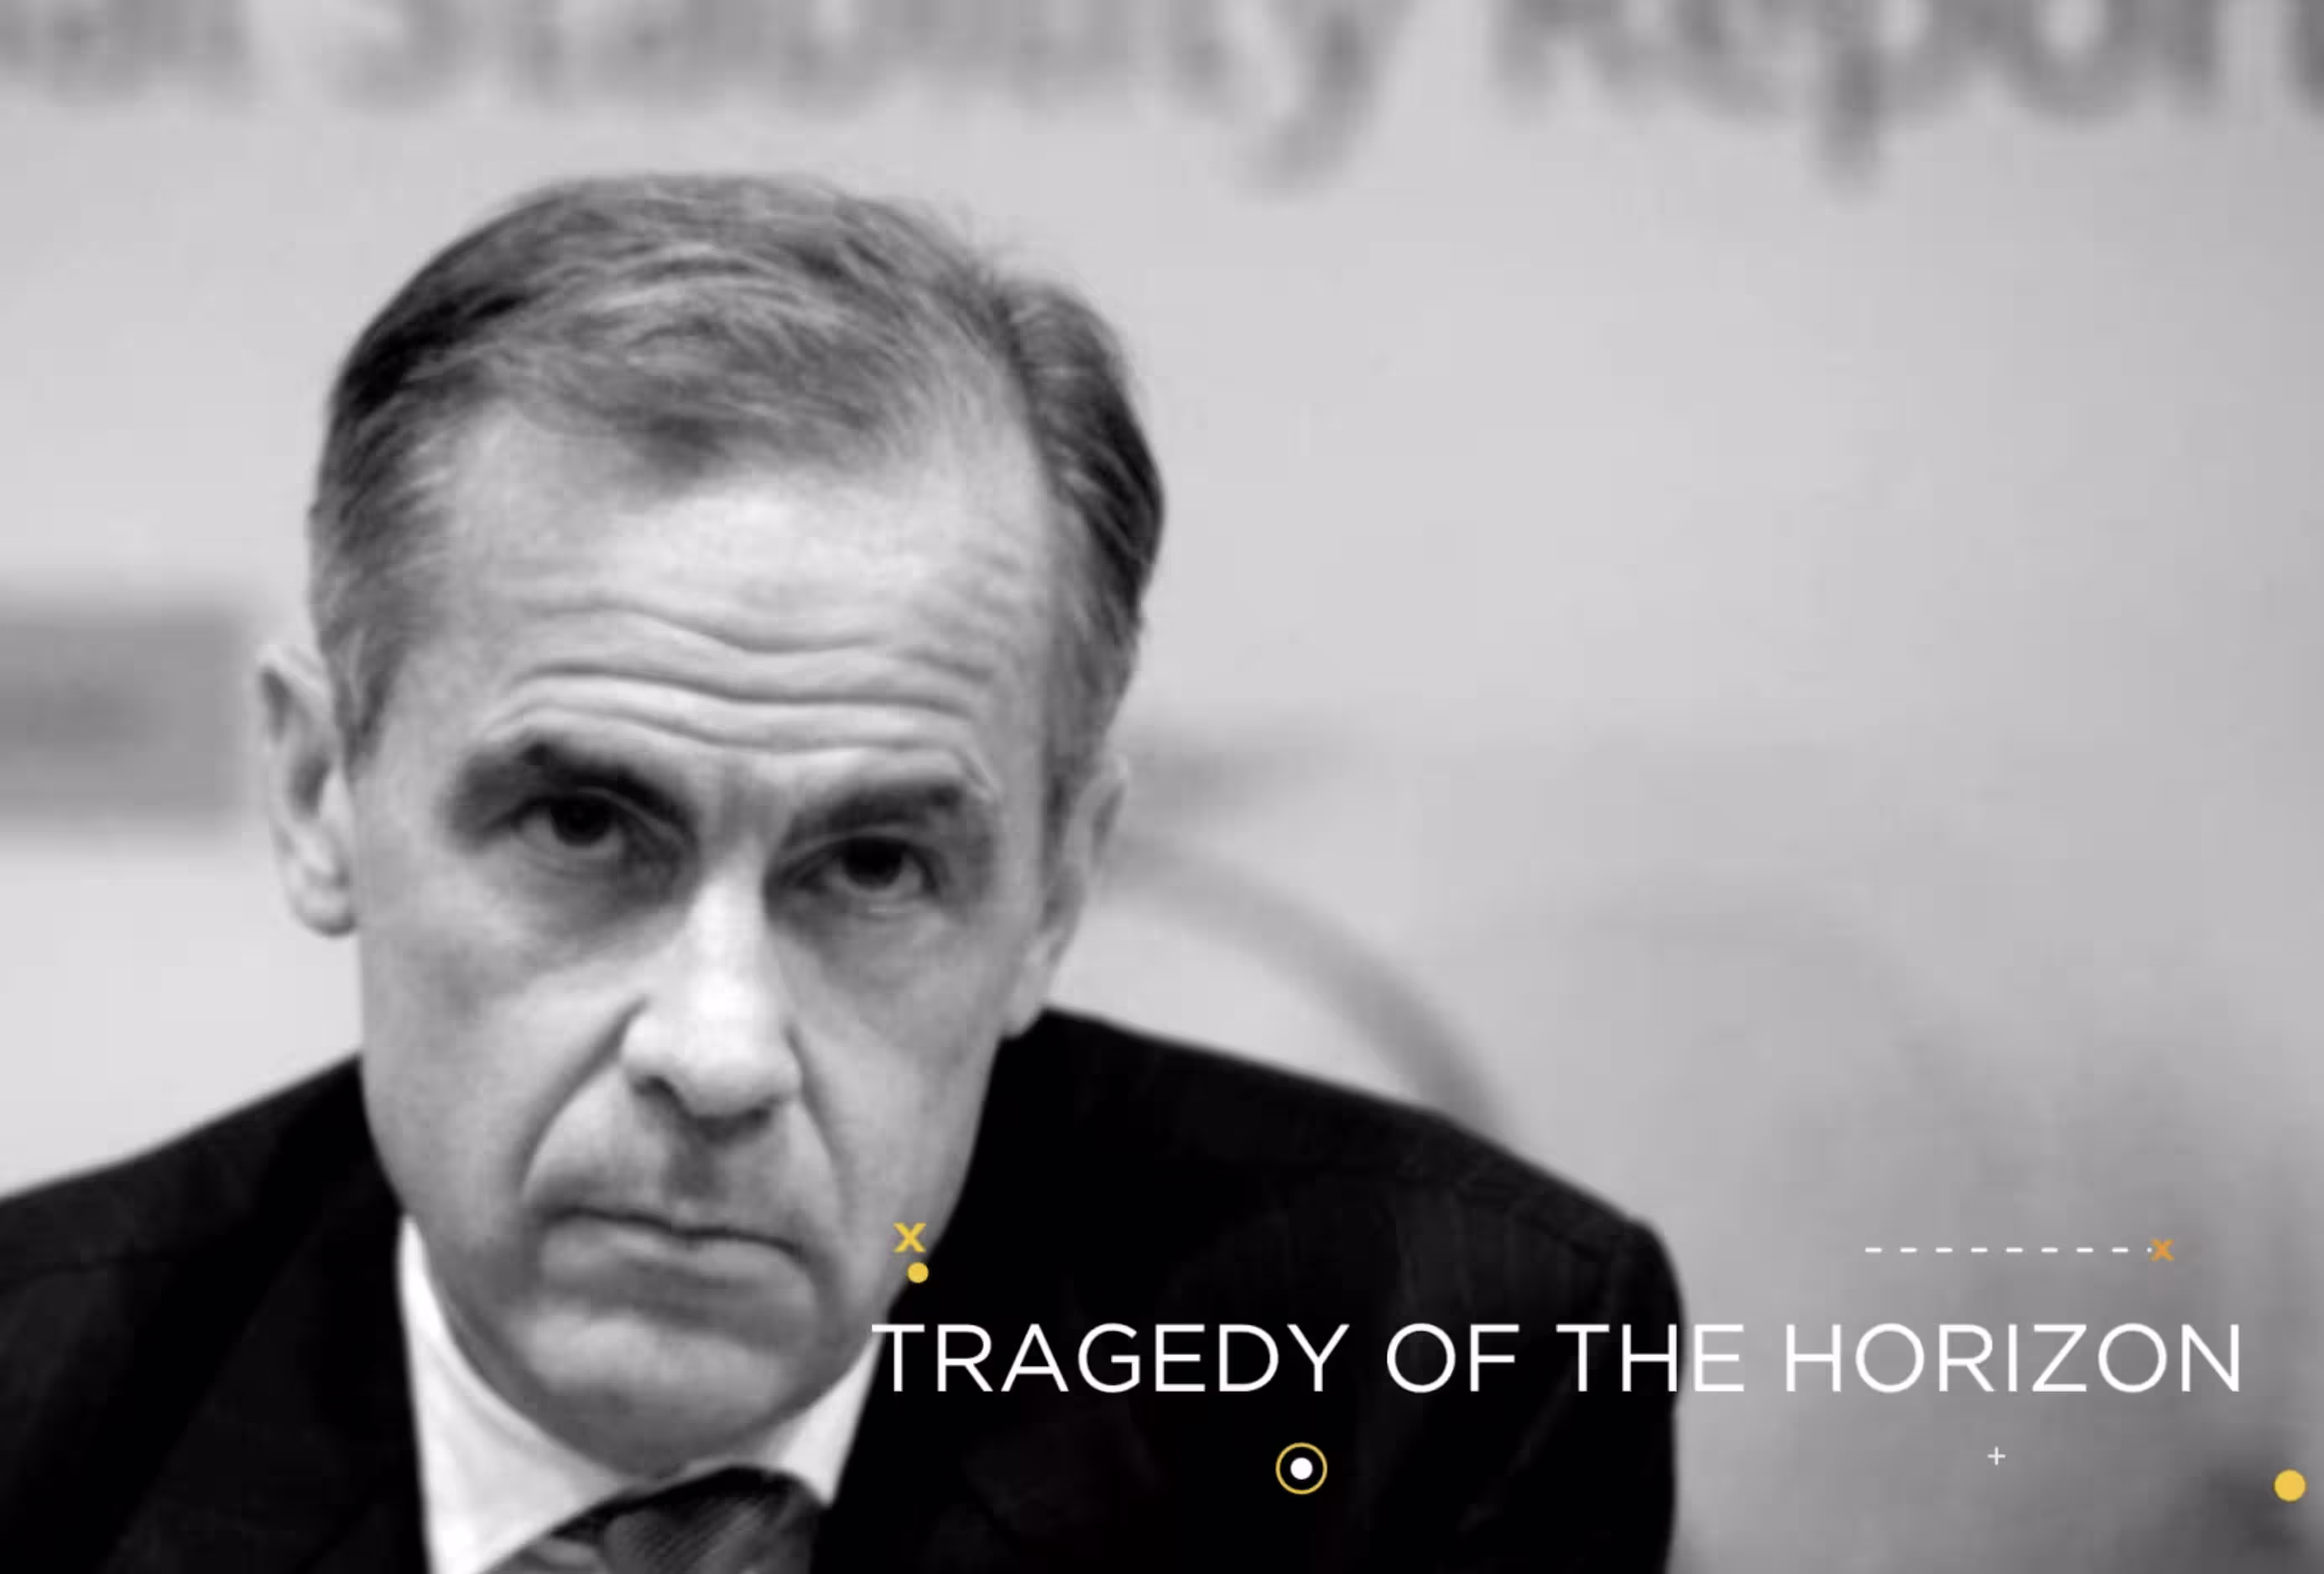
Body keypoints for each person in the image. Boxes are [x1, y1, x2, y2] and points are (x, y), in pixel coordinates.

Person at [0, 174, 1682, 1573]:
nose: (718, 1052)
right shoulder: (34, 1406)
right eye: (584, 824)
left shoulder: (1424, 1378)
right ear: (318, 790)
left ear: (1051, 893)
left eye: (872, 862)